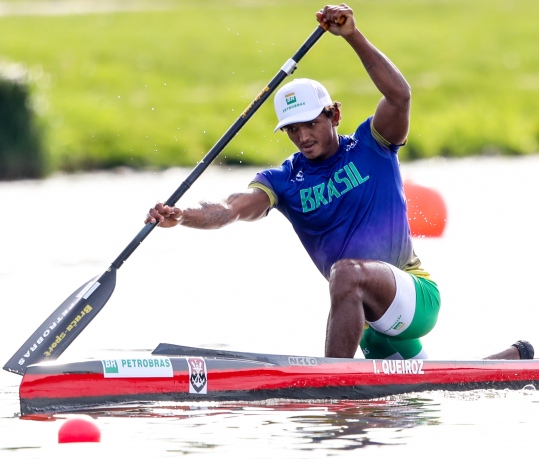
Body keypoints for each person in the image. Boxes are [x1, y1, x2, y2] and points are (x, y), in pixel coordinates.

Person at [146, 4, 533, 361]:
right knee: (411, 395)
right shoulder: (282, 180)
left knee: (346, 274)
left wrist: (352, 36)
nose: (303, 136)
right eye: (292, 130)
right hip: (365, 318)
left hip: (415, 296)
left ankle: (331, 381)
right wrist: (182, 216)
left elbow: (400, 96)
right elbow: (230, 209)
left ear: (334, 115)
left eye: (311, 123)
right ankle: (514, 360)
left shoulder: (372, 146)